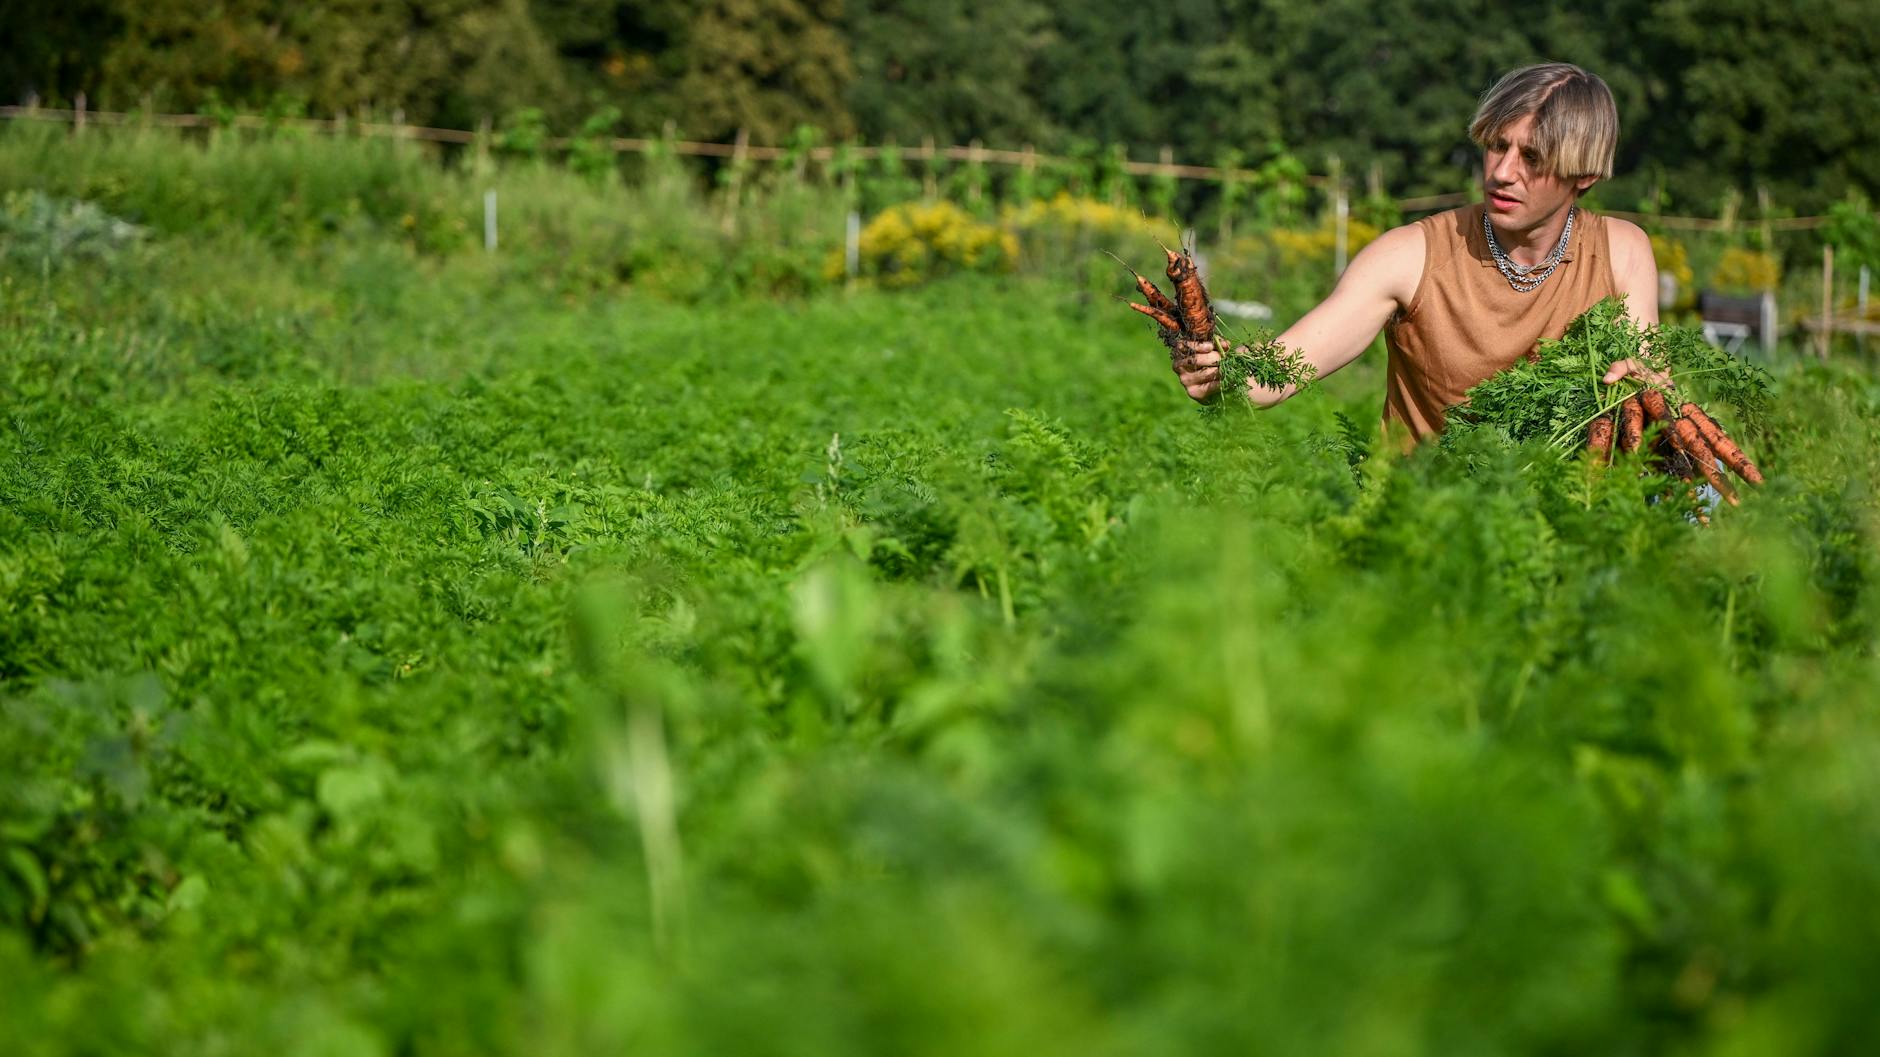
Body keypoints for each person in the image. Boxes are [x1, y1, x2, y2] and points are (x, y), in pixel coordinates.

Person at [1173, 62, 1667, 439]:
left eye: (1532, 157)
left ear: (1584, 175)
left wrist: (1647, 381)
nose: (1501, 172)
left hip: (1564, 520)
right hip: (1424, 523)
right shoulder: (1409, 256)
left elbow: (1647, 375)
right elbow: (1284, 368)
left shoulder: (1621, 253)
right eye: (1497, 146)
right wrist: (1225, 371)